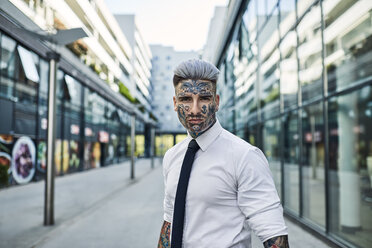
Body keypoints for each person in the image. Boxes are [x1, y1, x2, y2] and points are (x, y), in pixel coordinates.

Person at [157, 59, 289, 248]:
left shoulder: (245, 156)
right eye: (186, 99)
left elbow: (273, 234)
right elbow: (170, 221)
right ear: (175, 103)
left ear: (216, 102)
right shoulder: (172, 156)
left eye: (204, 98)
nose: (194, 109)